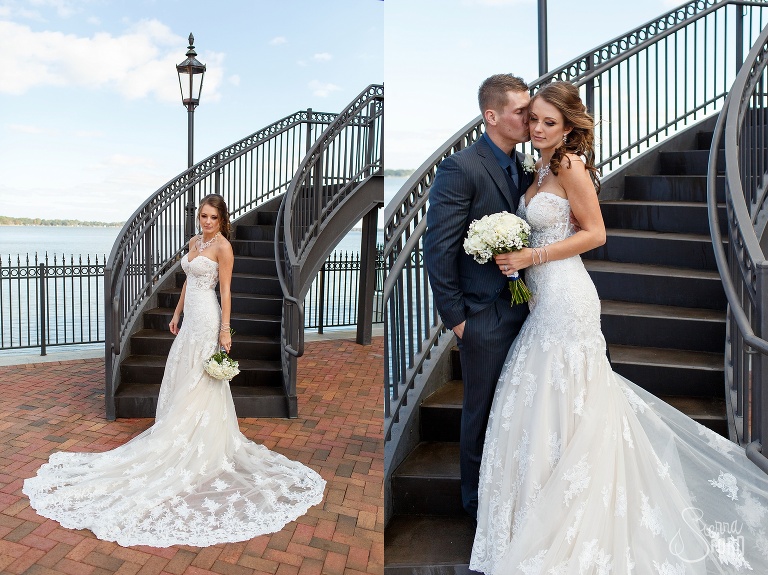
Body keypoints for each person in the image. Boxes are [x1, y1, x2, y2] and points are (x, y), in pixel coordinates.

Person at [470, 81, 768, 574]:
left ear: (568, 127)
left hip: (567, 296)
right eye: (535, 120)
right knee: (545, 395)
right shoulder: (538, 165)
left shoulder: (568, 164)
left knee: (569, 390)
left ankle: (575, 510)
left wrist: (533, 254)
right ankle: (536, 505)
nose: (539, 129)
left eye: (550, 122)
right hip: (541, 297)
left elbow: (596, 233)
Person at [23, 194, 325, 548]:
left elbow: (226, 291)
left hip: (209, 317)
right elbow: (186, 281)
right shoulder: (195, 242)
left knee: (202, 377)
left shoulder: (224, 248)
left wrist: (225, 329)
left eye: (212, 217)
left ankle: (199, 439)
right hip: (190, 315)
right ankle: (178, 428)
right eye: (202, 216)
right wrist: (175, 314)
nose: (206, 221)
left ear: (222, 219)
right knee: (182, 371)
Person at [424, 74, 535, 520]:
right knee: (480, 410)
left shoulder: (526, 166)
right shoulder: (461, 167)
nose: (529, 118)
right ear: (492, 116)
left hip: (527, 309)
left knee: (517, 408)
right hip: (483, 314)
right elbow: (439, 248)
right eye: (520, 111)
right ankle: (474, 504)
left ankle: (511, 493)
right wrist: (458, 318)